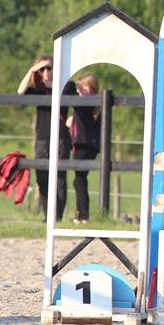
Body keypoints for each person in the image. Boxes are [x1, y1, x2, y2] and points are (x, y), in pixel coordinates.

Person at [17, 55, 77, 221]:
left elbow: (81, 101)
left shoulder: (66, 86)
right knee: (42, 177)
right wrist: (31, 70)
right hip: (42, 138)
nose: (46, 72)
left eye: (49, 67)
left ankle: (57, 216)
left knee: (60, 177)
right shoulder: (37, 88)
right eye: (42, 69)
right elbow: (20, 92)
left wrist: (73, 119)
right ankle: (48, 215)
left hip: (61, 137)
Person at [67, 73, 102, 225]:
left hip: (84, 145)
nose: (79, 91)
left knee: (79, 179)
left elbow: (69, 90)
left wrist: (74, 85)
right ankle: (82, 214)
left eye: (84, 87)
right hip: (88, 145)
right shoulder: (91, 105)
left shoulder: (87, 104)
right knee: (79, 179)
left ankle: (82, 215)